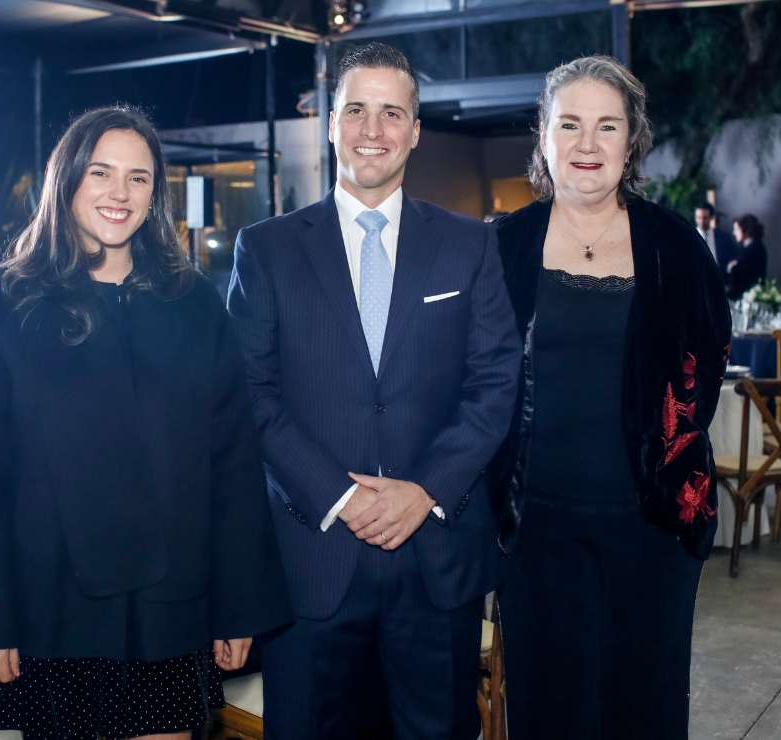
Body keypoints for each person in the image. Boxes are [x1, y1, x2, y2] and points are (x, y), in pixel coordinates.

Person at [0, 106, 290, 740]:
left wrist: (238, 606)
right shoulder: (7, 299)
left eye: (139, 178)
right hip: (50, 607)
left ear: (156, 195)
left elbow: (232, 466)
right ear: (66, 181)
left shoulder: (194, 302)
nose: (119, 193)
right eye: (101, 172)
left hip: (171, 607)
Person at [227, 42, 521, 740]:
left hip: (435, 563)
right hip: (311, 563)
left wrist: (425, 490)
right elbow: (251, 393)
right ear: (330, 124)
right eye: (356, 110)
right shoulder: (265, 249)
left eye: (392, 112)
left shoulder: (467, 246)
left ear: (416, 131)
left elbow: (496, 380)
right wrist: (342, 496)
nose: (372, 130)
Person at [491, 56, 731, 739]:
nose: (587, 144)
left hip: (652, 527)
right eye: (569, 124)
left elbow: (708, 362)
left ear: (632, 141)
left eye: (606, 126)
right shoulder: (502, 247)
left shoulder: (676, 247)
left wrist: (668, 461)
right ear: (543, 136)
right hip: (532, 534)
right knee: (546, 712)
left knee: (644, 710)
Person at [727, 213, 769, 300]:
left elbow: (740, 279)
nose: (734, 233)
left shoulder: (752, 249)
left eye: (736, 229)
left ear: (745, 230)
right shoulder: (752, 247)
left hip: (748, 299)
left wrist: (733, 267)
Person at [694, 200, 737, 275]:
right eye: (698, 218)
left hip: (721, 280)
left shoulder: (724, 237)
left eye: (705, 218)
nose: (701, 221)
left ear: (711, 218)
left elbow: (732, 259)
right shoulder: (691, 237)